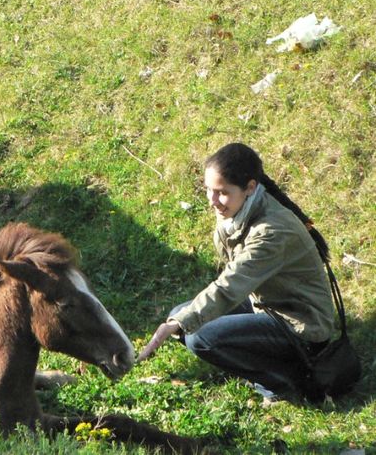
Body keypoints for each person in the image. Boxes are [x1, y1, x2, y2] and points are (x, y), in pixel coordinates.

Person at [137, 142, 335, 401]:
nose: (213, 201)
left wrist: (182, 323)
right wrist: (181, 320)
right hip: (267, 304)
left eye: (221, 193)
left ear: (250, 187)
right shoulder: (240, 209)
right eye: (208, 190)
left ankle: (283, 382)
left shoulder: (272, 231)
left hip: (302, 327)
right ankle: (258, 359)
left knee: (200, 336)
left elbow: (230, 285)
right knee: (181, 317)